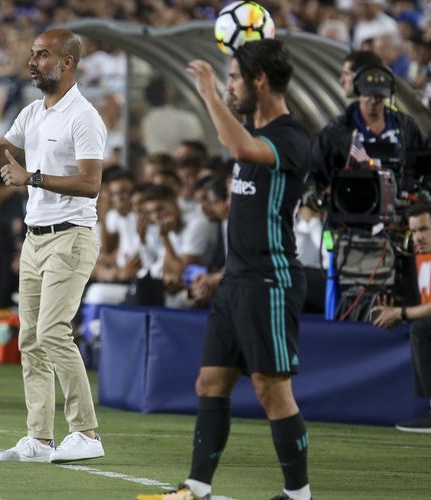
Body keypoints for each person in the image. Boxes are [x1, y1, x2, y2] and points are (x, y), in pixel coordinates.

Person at [138, 39, 312, 500]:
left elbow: (239, 145)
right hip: (237, 281)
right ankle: (197, 487)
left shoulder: (290, 138)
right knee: (209, 381)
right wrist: (221, 274)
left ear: (259, 80)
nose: (229, 86)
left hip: (270, 281)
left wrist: (208, 93)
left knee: (271, 391)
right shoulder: (254, 137)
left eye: (234, 77)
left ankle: (299, 495)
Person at [0, 28, 106, 463]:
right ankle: (39, 438)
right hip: (35, 239)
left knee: (53, 332)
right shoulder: (33, 112)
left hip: (71, 236)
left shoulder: (84, 116)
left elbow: (91, 184)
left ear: (68, 63)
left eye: (42, 55)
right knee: (31, 340)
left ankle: (86, 434)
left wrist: (31, 177)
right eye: (33, 55)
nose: (33, 62)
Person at [312, 62, 426, 192]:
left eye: (379, 96)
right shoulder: (337, 131)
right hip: (350, 202)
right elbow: (316, 171)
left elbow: (419, 167)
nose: (373, 100)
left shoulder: (405, 128)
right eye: (368, 95)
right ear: (358, 92)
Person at [372, 201, 431, 432]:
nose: (418, 237)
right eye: (414, 231)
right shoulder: (418, 259)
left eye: (424, 229)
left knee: (421, 329)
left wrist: (402, 313)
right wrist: (394, 308)